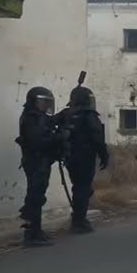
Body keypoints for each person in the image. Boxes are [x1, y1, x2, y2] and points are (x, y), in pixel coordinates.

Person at [56, 84, 109, 234]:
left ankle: (78, 218)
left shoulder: (66, 114)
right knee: (83, 188)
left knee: (78, 187)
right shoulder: (89, 115)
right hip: (85, 157)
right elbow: (97, 136)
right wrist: (104, 154)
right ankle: (79, 221)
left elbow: (51, 124)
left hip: (69, 157)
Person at [15, 86, 64, 247]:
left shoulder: (38, 116)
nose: (45, 106)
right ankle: (31, 234)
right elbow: (38, 141)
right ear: (33, 102)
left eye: (47, 103)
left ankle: (36, 231)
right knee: (35, 197)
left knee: (38, 197)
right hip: (35, 162)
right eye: (42, 102)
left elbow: (49, 122)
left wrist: (62, 116)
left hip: (41, 161)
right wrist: (58, 138)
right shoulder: (31, 118)